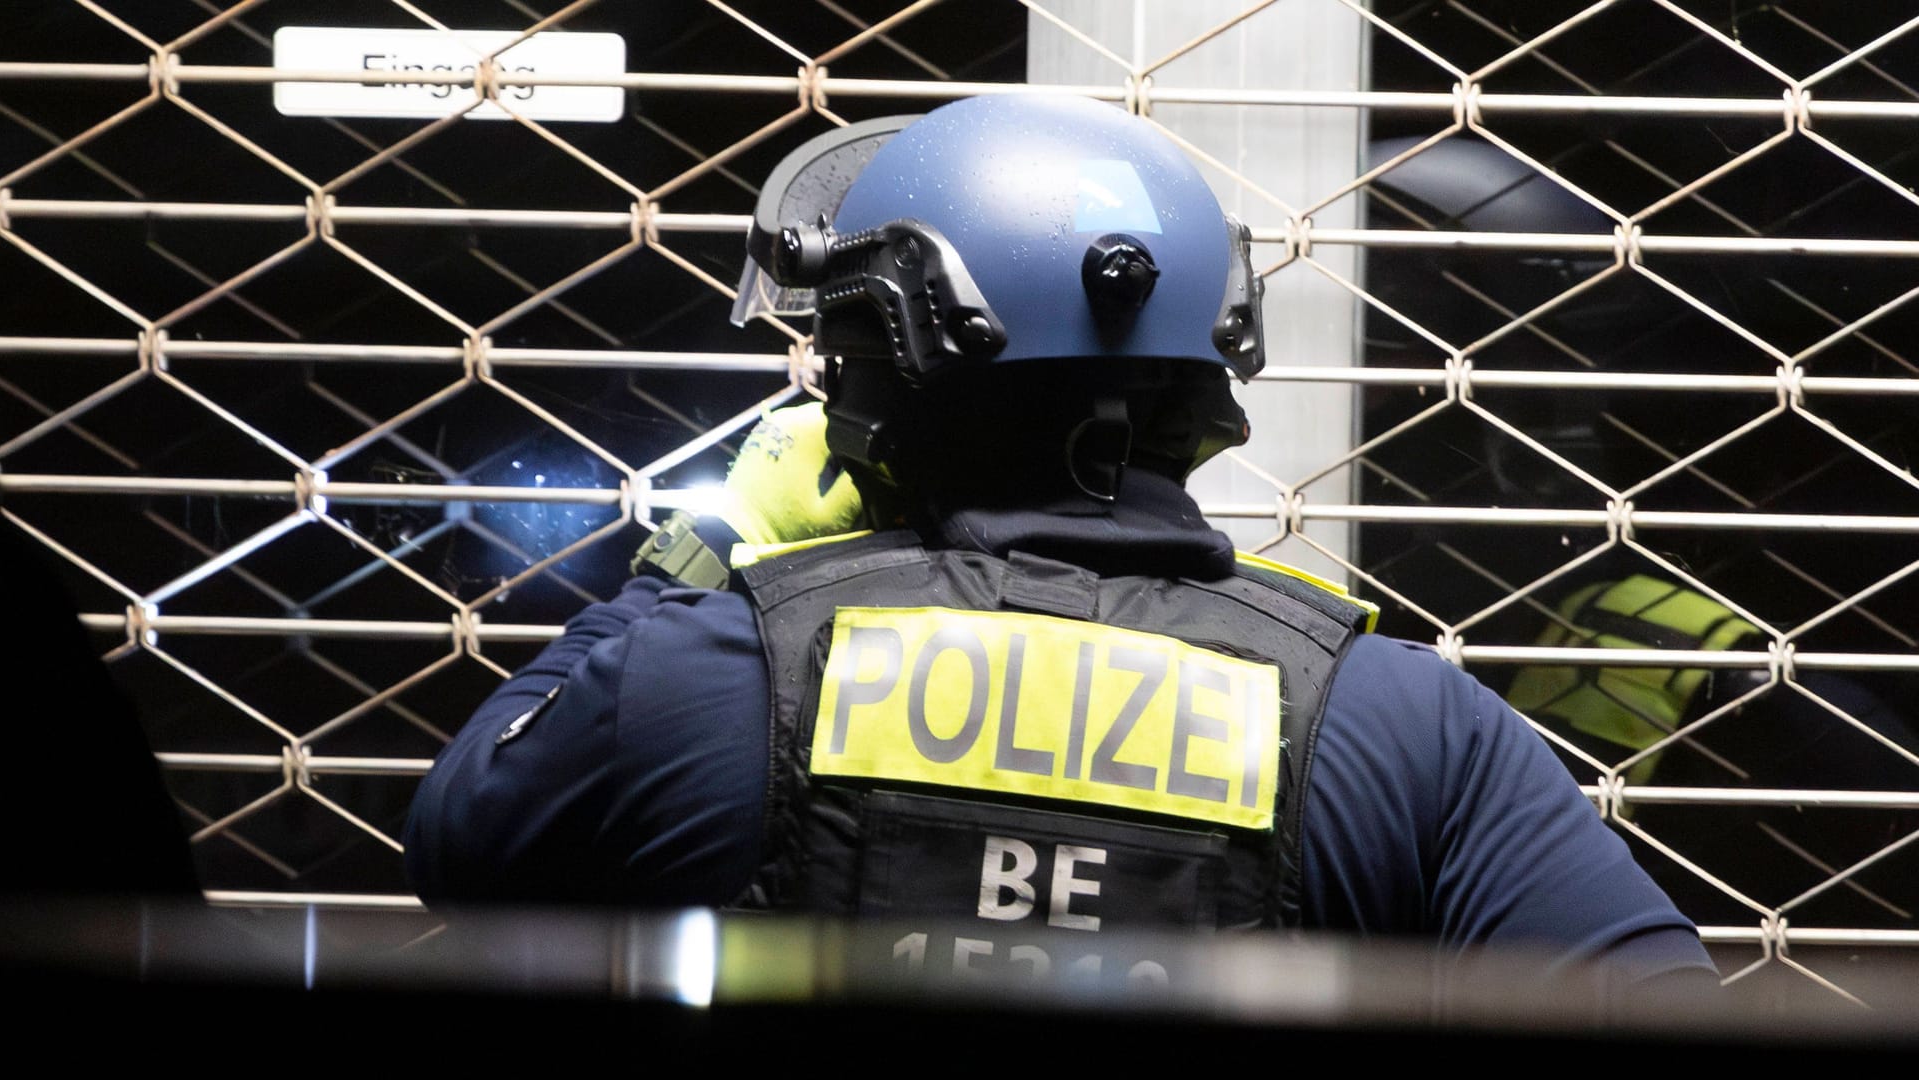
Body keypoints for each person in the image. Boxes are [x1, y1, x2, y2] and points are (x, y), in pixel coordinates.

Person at [404, 95, 1716, 986]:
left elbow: (461, 844)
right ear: (1205, 370)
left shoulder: (706, 676)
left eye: (839, 346)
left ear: (891, 373)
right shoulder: (1403, 726)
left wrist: (703, 557)